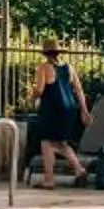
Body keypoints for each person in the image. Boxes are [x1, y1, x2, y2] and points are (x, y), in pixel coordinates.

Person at [29, 42, 89, 190]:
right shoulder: (69, 68)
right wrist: (84, 110)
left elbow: (40, 89)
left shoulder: (44, 68)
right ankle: (79, 170)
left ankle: (49, 180)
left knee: (46, 142)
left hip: (53, 109)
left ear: (45, 54)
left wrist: (32, 98)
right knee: (60, 143)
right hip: (70, 109)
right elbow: (79, 91)